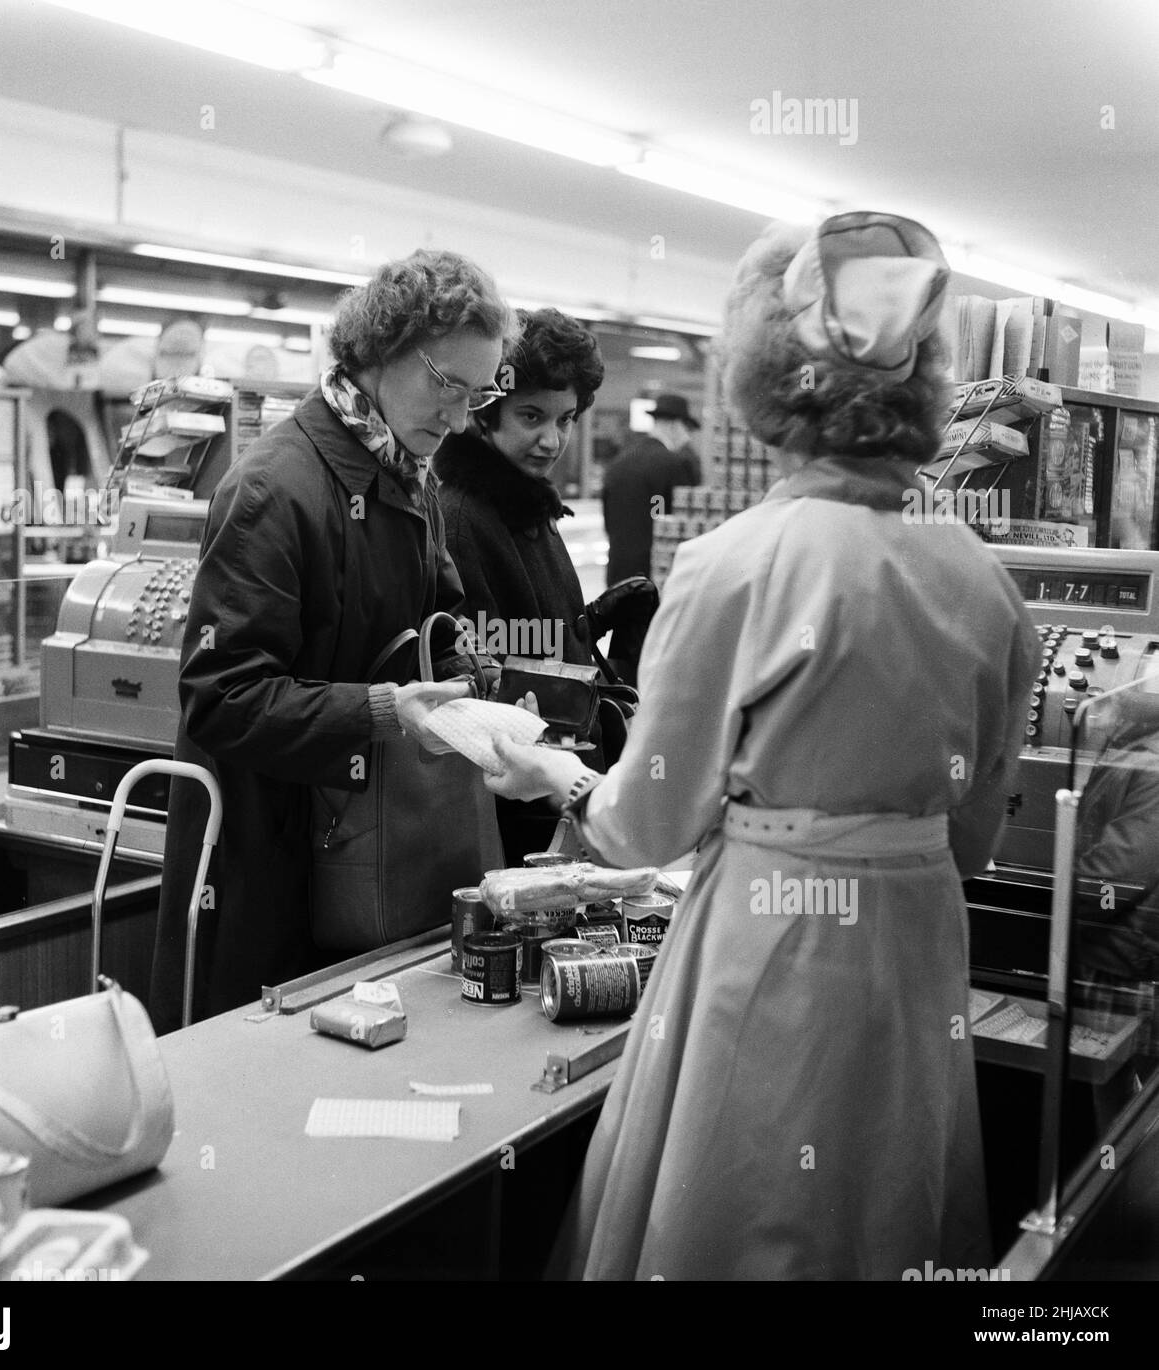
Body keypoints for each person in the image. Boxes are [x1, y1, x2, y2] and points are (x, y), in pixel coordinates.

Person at [483, 211, 1042, 1279]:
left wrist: (556, 776)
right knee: (884, 1201)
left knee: (744, 1203)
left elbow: (648, 817)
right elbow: (972, 838)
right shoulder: (981, 578)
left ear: (768, 375)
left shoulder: (733, 563)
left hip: (770, 935)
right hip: (917, 938)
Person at [149, 249, 518, 1032]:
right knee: (263, 1106)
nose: (457, 419)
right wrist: (383, 710)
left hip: (366, 854)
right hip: (270, 861)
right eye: (445, 385)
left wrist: (472, 686)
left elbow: (428, 626)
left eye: (476, 395)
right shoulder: (274, 487)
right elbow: (222, 698)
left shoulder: (409, 472)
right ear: (380, 350)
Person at [435, 306, 650, 859]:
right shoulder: (464, 516)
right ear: (486, 412)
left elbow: (528, 631)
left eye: (566, 419)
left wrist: (598, 617)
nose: (552, 440)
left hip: (565, 781)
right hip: (524, 803)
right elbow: (484, 669)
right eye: (532, 417)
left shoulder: (528, 505)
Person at [600, 391, 701, 585]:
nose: (687, 438)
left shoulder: (619, 462)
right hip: (653, 576)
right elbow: (676, 522)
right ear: (674, 425)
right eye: (687, 429)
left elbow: (608, 518)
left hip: (617, 572)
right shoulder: (673, 464)